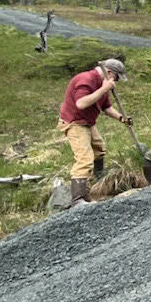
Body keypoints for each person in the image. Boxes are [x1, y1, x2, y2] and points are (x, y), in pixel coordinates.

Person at [57, 58, 132, 206]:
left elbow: (106, 107)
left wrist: (121, 118)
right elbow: (81, 103)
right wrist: (104, 88)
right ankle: (77, 200)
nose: (116, 81)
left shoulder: (103, 84)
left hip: (88, 123)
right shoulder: (86, 79)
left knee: (99, 149)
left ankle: (97, 185)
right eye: (116, 77)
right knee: (85, 159)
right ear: (109, 73)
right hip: (75, 123)